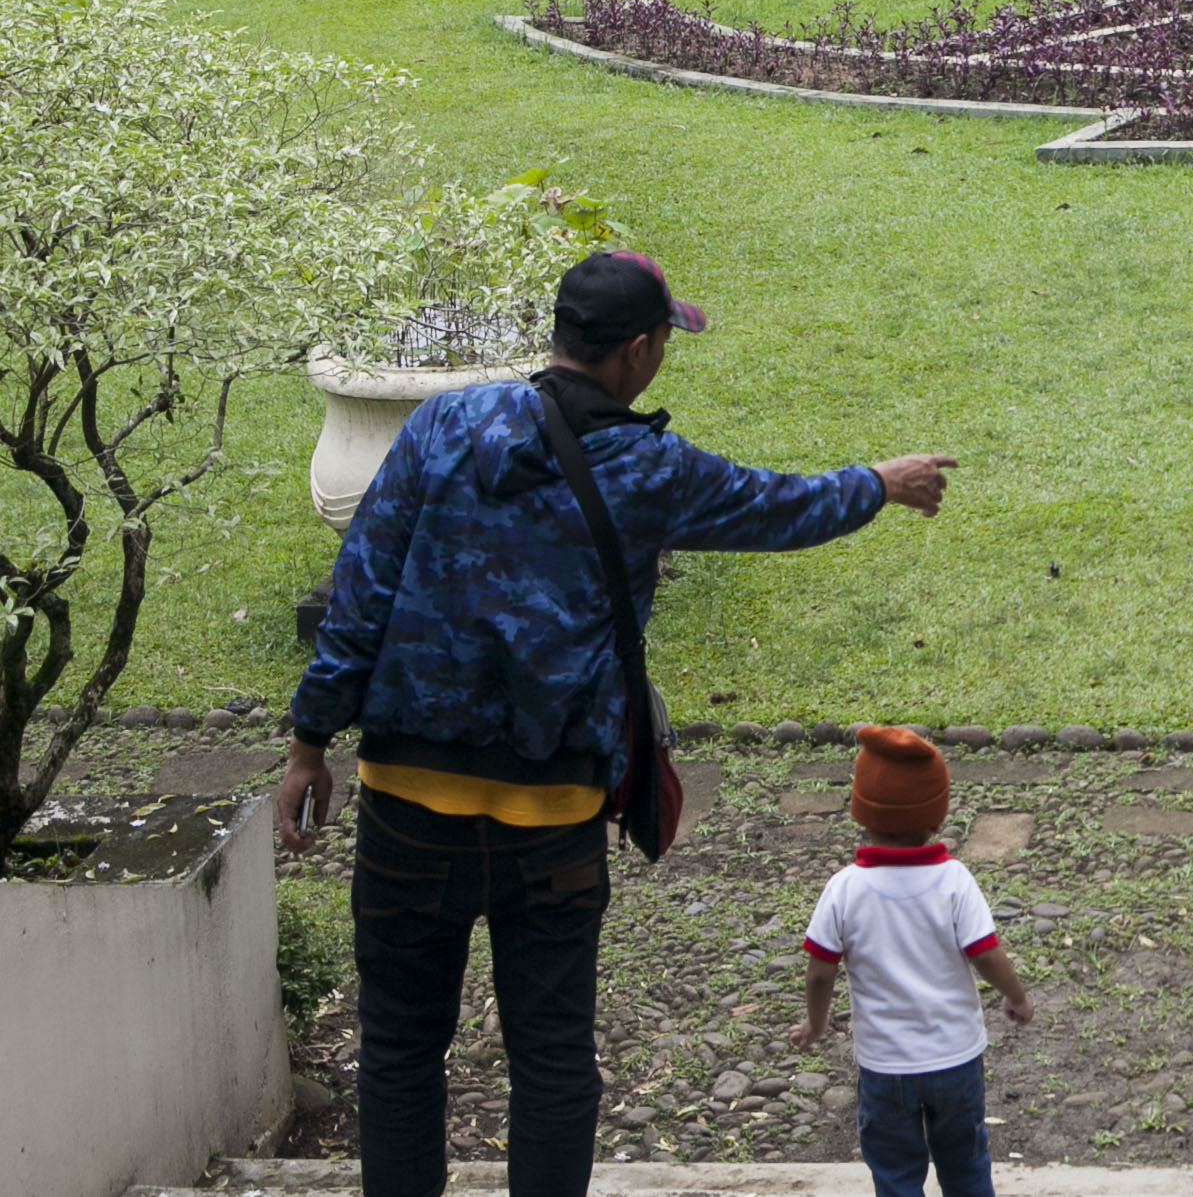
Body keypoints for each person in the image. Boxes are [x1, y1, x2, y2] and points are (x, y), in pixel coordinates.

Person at [279, 249, 961, 1197]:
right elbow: (776, 507)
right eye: (664, 342)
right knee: (553, 1059)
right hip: (552, 820)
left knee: (398, 1051)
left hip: (405, 808)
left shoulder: (444, 423)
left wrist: (310, 741)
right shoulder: (648, 468)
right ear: (636, 350)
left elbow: (362, 590)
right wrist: (878, 482)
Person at [793, 727, 1035, 1197]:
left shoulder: (844, 888)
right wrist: (1017, 996)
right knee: (966, 1167)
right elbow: (985, 952)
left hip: (885, 1067)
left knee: (896, 1174)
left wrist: (816, 1026)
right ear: (938, 814)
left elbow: (820, 971)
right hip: (956, 1060)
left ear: (859, 810)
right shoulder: (954, 881)